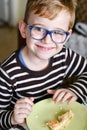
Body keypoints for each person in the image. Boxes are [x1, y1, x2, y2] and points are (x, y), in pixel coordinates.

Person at [0, 0, 87, 129]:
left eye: (57, 32)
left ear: (67, 36)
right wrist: (12, 117)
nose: (47, 40)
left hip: (53, 118)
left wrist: (75, 90)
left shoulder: (63, 56)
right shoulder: (6, 73)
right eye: (39, 29)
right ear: (24, 29)